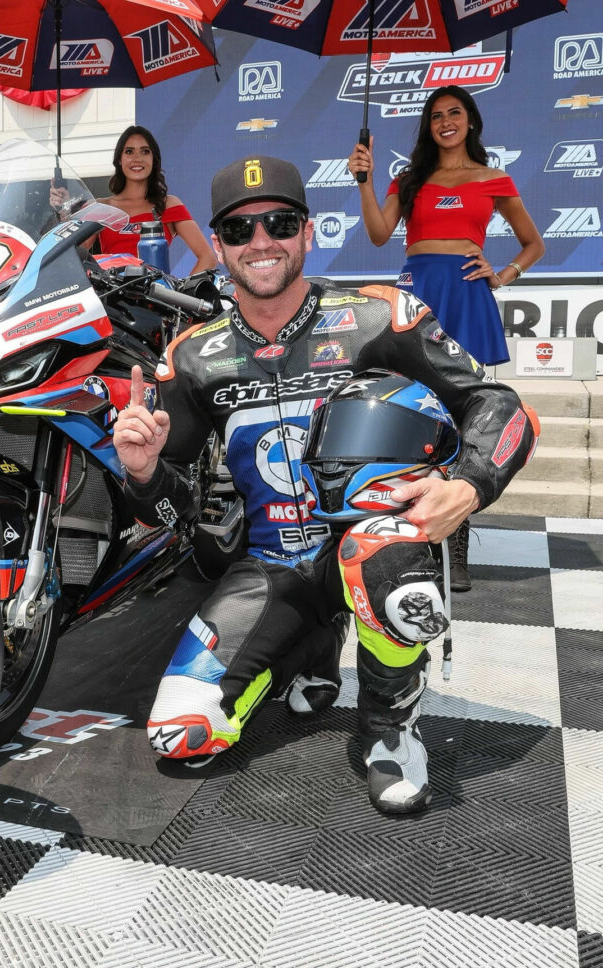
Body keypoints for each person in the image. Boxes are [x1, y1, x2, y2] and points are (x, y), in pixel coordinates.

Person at [112, 155, 536, 815]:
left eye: (279, 223)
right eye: (239, 230)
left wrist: (467, 486)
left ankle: (390, 728)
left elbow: (503, 408)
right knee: (181, 738)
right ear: (219, 247)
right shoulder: (191, 356)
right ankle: (309, 639)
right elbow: (176, 509)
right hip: (270, 565)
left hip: (366, 544)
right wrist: (142, 472)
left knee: (384, 550)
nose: (261, 242)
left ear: (307, 233)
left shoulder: (378, 317)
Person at [347, 84, 545, 590]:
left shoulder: (493, 178)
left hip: (466, 296)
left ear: (471, 121)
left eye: (454, 113)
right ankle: (414, 528)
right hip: (418, 292)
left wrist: (502, 275)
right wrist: (365, 182)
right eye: (436, 116)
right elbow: (376, 232)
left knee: (469, 412)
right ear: (427, 125)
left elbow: (533, 243)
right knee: (415, 409)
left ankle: (456, 540)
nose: (446, 122)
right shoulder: (408, 179)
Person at [54, 126, 216, 274]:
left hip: (156, 300)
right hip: (111, 300)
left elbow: (208, 258)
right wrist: (65, 211)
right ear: (119, 159)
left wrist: (179, 296)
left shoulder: (168, 204)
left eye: (145, 151)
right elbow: (73, 257)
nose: (137, 158)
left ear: (154, 159)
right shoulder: (100, 206)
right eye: (129, 152)